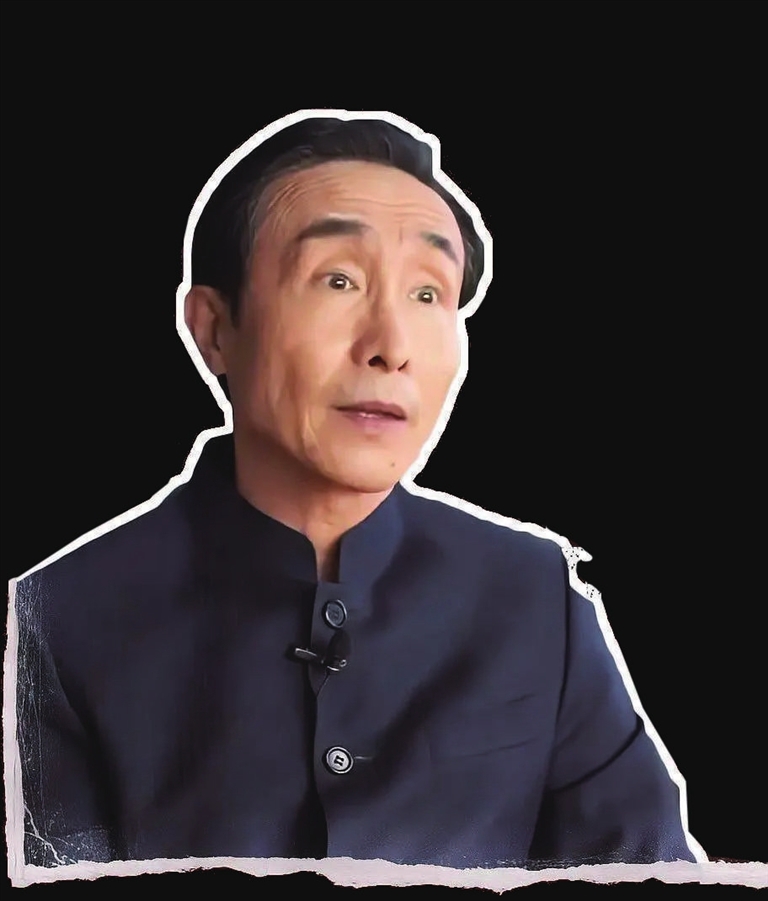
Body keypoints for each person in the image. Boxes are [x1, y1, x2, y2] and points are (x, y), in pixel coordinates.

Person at [9, 111, 701, 871]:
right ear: (215, 328)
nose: (391, 347)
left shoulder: (536, 599)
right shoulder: (55, 624)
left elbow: (650, 870)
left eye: (429, 294)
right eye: (338, 280)